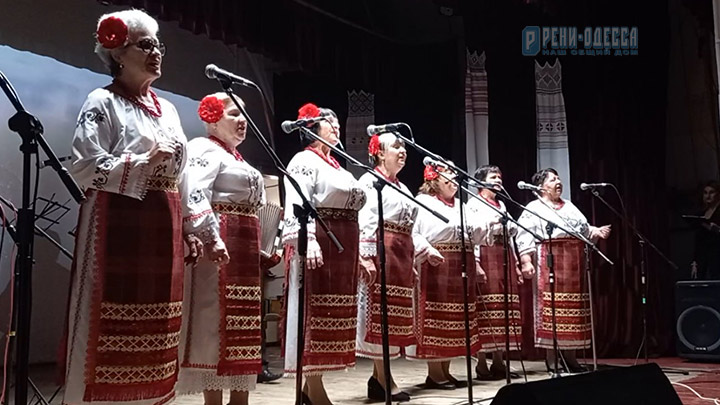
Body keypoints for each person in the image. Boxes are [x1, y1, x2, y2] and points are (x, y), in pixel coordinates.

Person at [62, 10, 202, 405]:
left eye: (158, 45)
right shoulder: (102, 101)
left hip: (163, 224)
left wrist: (190, 228)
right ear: (118, 53)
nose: (156, 52)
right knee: (113, 317)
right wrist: (143, 161)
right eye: (146, 45)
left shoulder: (168, 109)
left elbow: (182, 175)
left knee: (159, 322)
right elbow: (84, 166)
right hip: (118, 223)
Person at [176, 94, 265, 405]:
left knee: (243, 324)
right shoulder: (203, 148)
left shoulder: (237, 157)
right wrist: (211, 236)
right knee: (214, 319)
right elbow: (194, 192)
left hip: (243, 247)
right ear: (213, 119)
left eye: (244, 114)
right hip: (220, 243)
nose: (242, 120)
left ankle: (240, 399)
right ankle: (212, 401)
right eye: (233, 114)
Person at [281, 103, 366, 405]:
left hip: (343, 245)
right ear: (312, 127)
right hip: (321, 242)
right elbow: (298, 202)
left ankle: (311, 389)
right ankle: (314, 390)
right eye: (330, 121)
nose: (336, 125)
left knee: (334, 315)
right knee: (316, 312)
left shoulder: (338, 166)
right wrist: (309, 241)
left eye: (337, 121)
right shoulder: (304, 160)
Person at [515, 168, 611, 373]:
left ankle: (571, 357)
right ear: (541, 187)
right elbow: (524, 234)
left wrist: (595, 231)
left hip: (573, 263)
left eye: (558, 178)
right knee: (552, 311)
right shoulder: (534, 208)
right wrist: (526, 260)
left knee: (573, 311)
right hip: (549, 260)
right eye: (552, 179)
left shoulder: (569, 206)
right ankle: (552, 359)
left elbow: (583, 228)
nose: (558, 182)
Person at [407, 163, 483, 389]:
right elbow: (413, 232)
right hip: (436, 262)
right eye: (447, 173)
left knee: (455, 319)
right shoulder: (424, 202)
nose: (453, 178)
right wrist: (426, 250)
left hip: (462, 262)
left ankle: (445, 370)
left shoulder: (461, 205)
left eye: (454, 173)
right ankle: (434, 372)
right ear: (434, 179)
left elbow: (475, 233)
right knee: (437, 316)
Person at [356, 132, 417, 402]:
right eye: (396, 146)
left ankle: (377, 379)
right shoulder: (370, 182)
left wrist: (411, 262)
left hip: (400, 255)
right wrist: (366, 255)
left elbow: (410, 227)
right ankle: (384, 379)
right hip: (381, 252)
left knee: (392, 319)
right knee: (381, 318)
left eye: (404, 147)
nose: (403, 150)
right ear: (380, 153)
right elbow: (365, 219)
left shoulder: (403, 188)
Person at [467, 165, 527, 380]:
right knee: (486, 309)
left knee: (503, 310)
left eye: (500, 177)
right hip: (486, 254)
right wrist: (476, 263)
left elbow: (510, 238)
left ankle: (499, 361)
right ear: (481, 181)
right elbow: (472, 237)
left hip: (504, 256)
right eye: (493, 177)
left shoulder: (501, 204)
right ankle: (482, 363)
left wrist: (516, 264)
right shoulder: (473, 205)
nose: (498, 180)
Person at [691, 181, 720, 280]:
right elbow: (698, 240)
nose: (708, 196)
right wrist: (695, 261)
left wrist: (717, 229)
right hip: (703, 256)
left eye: (711, 192)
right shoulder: (701, 213)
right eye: (705, 193)